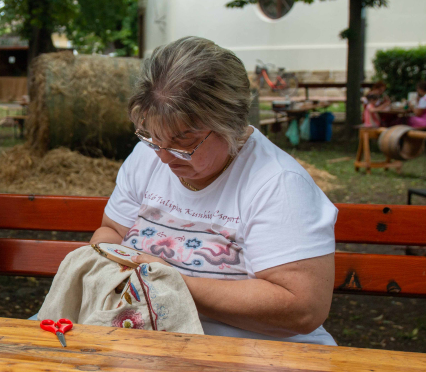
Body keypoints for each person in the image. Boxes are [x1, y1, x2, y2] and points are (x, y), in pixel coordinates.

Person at [90, 37, 338, 345]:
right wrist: (109, 264)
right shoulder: (148, 157)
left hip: (256, 357)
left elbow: (303, 308)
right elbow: (111, 230)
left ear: (229, 123)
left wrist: (168, 283)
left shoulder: (278, 184)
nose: (164, 157)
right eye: (153, 137)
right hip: (153, 345)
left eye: (184, 142)